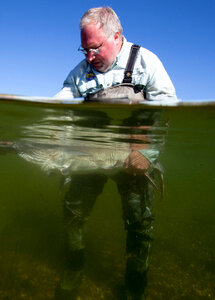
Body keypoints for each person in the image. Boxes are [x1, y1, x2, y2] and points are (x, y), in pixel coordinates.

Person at [53, 7, 178, 300]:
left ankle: (135, 286)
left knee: (140, 222)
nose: (88, 56)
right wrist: (61, 149)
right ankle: (74, 267)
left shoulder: (147, 62)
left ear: (117, 36)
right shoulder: (78, 74)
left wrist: (148, 151)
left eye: (94, 48)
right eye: (83, 49)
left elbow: (168, 110)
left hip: (134, 157)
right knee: (73, 209)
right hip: (91, 152)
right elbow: (58, 112)